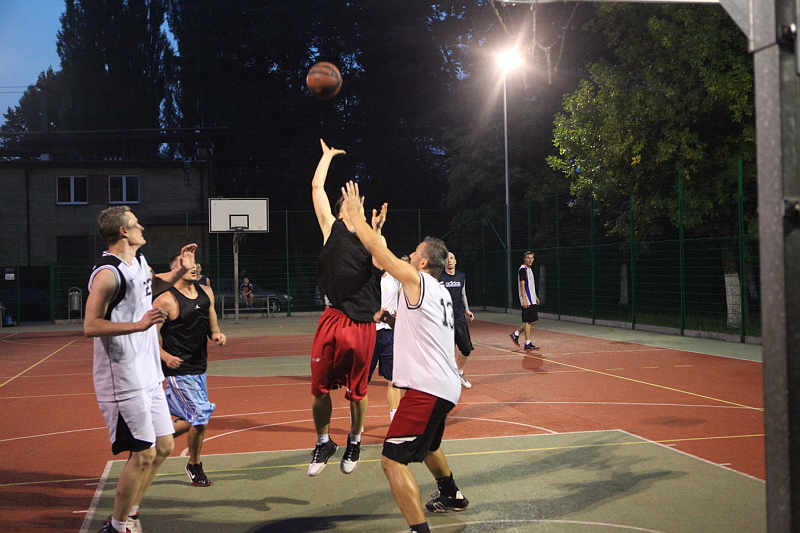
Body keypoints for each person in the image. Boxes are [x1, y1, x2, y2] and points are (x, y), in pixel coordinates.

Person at [341, 181, 468, 533]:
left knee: (392, 461)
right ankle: (451, 494)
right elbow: (423, 326)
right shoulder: (437, 292)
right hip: (444, 386)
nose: (409, 255)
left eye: (414, 252)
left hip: (428, 388)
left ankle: (418, 529)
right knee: (428, 446)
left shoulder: (417, 280)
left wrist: (355, 216)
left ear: (423, 261)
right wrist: (392, 318)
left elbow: (376, 251)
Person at [84, 205, 196, 533]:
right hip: (123, 378)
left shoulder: (139, 262)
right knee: (143, 454)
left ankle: (130, 513)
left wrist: (179, 271)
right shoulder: (107, 274)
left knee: (165, 446)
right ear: (123, 231)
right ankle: (117, 526)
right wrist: (139, 325)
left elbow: (153, 285)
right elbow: (90, 325)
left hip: (148, 373)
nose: (141, 227)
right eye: (135, 223)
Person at [308, 139, 386, 476]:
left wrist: (375, 234)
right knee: (318, 388)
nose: (356, 210)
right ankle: (324, 441)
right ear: (341, 212)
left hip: (361, 323)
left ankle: (355, 439)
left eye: (360, 207)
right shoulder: (331, 228)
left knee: (357, 392)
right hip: (332, 318)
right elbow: (317, 188)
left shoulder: (373, 239)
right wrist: (326, 158)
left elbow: (381, 263)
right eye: (351, 207)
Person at [154, 255, 226, 488]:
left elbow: (211, 322)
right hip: (179, 369)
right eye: (187, 265)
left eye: (196, 265)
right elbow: (148, 336)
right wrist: (165, 356)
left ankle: (149, 441)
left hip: (199, 366)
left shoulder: (206, 292)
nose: (194, 268)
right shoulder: (166, 299)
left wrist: (216, 333)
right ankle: (194, 464)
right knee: (200, 417)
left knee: (189, 419)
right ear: (175, 270)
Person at [438, 252, 475, 388]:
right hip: (445, 321)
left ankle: (459, 374)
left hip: (459, 318)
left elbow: (463, 294)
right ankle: (445, 378)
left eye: (452, 258)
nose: (449, 261)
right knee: (447, 352)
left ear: (455, 261)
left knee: (466, 349)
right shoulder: (439, 277)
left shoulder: (461, 276)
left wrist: (467, 309)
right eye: (447, 259)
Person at [370, 268, 403, 421]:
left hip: (390, 332)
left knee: (393, 379)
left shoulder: (393, 277)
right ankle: (357, 424)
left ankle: (395, 419)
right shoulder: (365, 278)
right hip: (370, 332)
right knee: (361, 381)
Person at [509, 250, 540, 350]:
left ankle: (516, 334)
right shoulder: (523, 270)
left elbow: (530, 285)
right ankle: (527, 343)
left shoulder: (529, 269)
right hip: (527, 300)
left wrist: (535, 296)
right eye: (528, 258)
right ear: (524, 259)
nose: (530, 260)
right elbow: (522, 285)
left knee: (534, 320)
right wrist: (524, 300)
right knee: (528, 321)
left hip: (532, 299)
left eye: (532, 258)